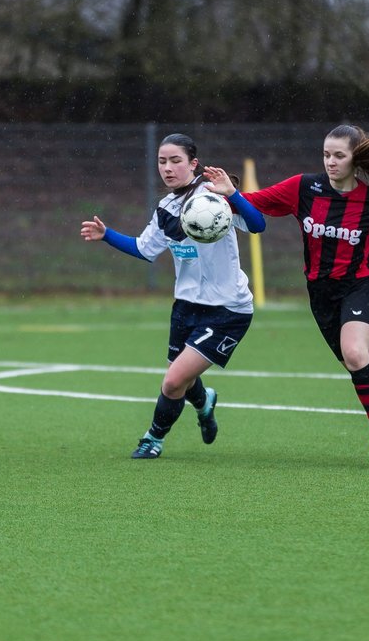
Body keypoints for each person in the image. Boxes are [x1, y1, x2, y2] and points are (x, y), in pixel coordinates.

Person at [205, 123, 369, 464]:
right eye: (326, 154)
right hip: (322, 296)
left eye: (339, 155)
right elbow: (254, 205)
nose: (331, 162)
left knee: (355, 352)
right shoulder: (303, 188)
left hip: (362, 286)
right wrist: (229, 193)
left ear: (357, 158)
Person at [79, 133, 266, 459]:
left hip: (227, 309)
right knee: (180, 378)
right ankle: (205, 403)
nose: (168, 168)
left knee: (172, 381)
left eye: (176, 160)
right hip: (186, 305)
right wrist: (107, 235)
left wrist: (234, 194)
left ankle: (153, 439)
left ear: (193, 163)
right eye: (162, 161)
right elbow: (144, 249)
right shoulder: (166, 207)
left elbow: (257, 224)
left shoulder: (214, 197)